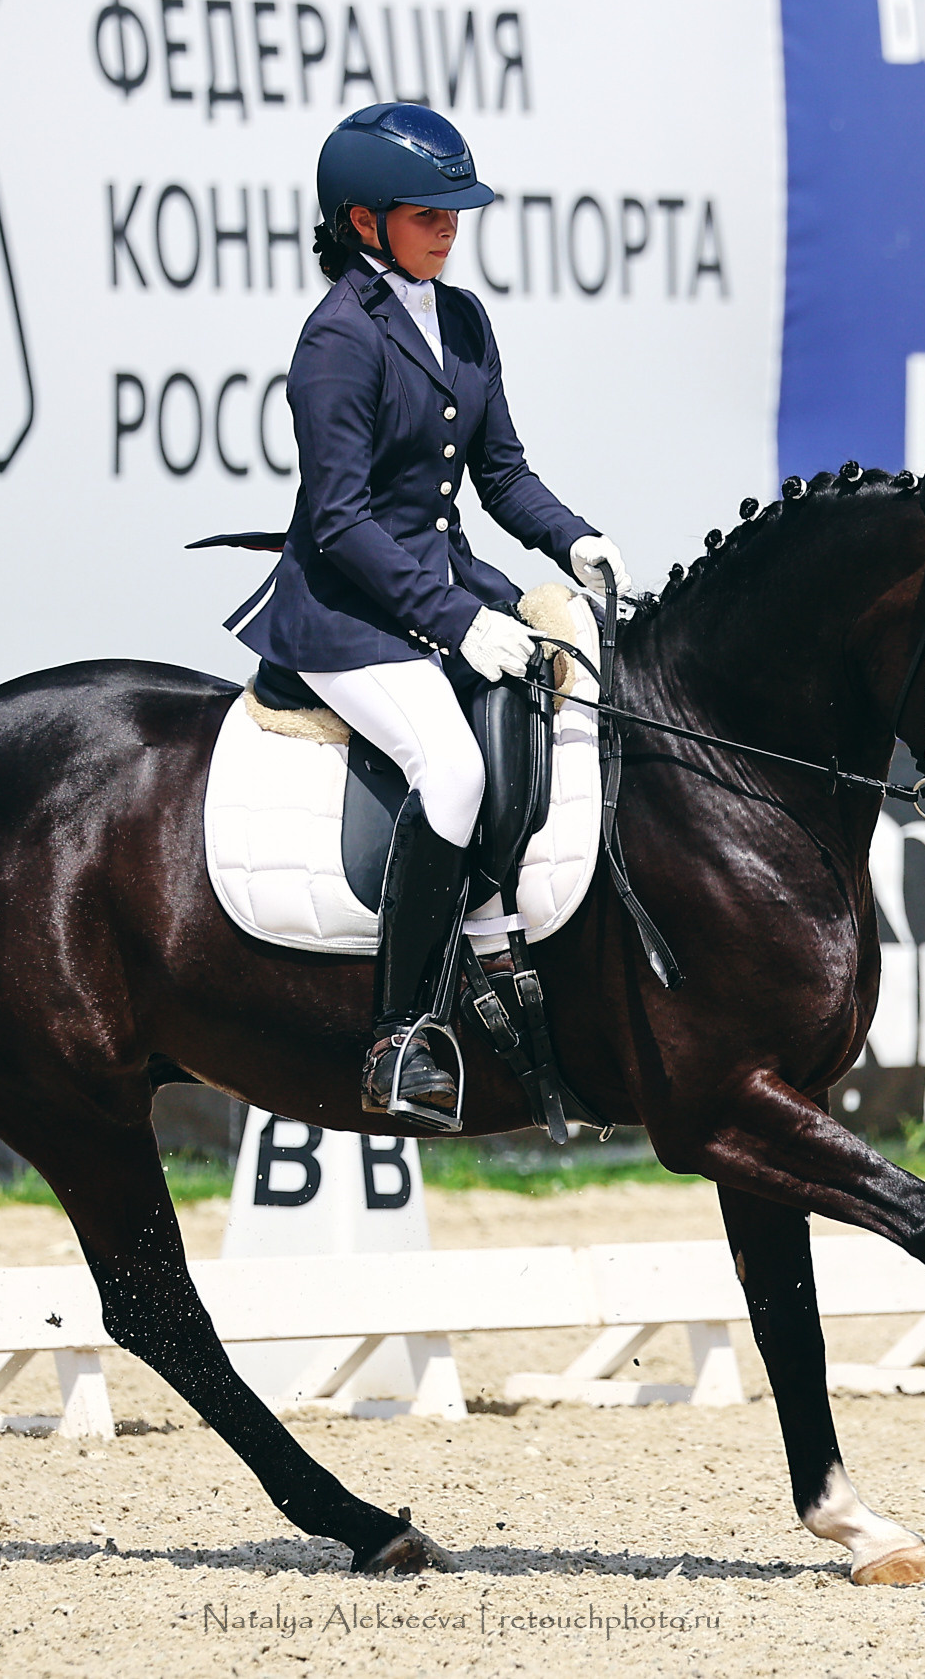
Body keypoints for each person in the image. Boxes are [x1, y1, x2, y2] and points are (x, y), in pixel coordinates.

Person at [223, 102, 626, 1124]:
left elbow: (500, 471)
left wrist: (571, 538)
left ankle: (500, 949)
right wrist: (453, 622)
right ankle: (399, 1037)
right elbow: (341, 521)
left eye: (455, 212)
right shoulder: (336, 343)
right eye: (425, 214)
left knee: (552, 700)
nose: (449, 229)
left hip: (439, 586)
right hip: (345, 613)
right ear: (364, 223)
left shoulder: (461, 318)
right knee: (447, 770)